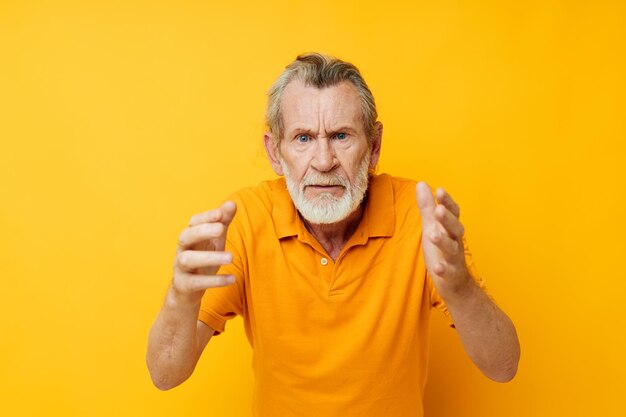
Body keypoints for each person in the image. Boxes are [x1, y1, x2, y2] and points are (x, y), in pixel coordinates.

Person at [146, 53, 520, 417]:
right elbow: (165, 375)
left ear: (373, 147)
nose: (324, 161)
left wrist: (460, 287)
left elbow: (503, 366)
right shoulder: (245, 220)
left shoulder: (418, 217)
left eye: (341, 136)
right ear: (275, 152)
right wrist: (182, 297)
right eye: (304, 138)